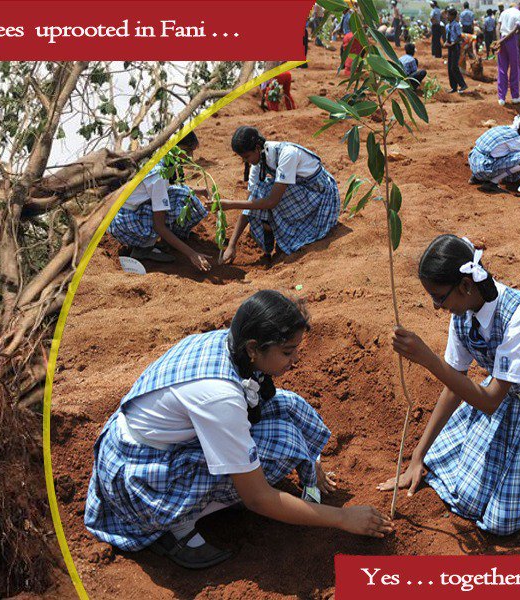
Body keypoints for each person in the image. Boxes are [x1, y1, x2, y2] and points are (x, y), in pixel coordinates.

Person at [86, 291, 394, 568]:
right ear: (253, 348)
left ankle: (200, 501)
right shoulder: (220, 395)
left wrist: (311, 461)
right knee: (280, 450)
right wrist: (342, 518)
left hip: (143, 441)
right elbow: (257, 498)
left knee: (289, 407)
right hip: (139, 481)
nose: (295, 360)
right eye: (287, 352)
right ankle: (174, 525)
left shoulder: (227, 342)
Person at [379, 235, 520, 536]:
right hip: (503, 400)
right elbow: (453, 386)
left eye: (439, 297)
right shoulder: (463, 312)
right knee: (457, 484)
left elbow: (489, 401)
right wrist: (418, 457)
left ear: (464, 286)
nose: (436, 307)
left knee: (500, 521)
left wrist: (428, 360)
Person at [219, 127, 341, 264]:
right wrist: (231, 245)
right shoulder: (258, 162)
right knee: (260, 193)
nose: (246, 161)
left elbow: (272, 201)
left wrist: (230, 204)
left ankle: (271, 228)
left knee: (264, 192)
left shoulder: (287, 154)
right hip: (301, 193)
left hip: (321, 194)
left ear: (257, 148)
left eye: (246, 157)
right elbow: (249, 204)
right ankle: (270, 231)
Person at [107, 132, 211, 271]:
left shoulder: (158, 160)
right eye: (186, 151)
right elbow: (159, 226)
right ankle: (144, 249)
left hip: (121, 212)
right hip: (123, 223)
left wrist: (197, 189)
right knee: (181, 199)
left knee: (182, 193)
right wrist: (192, 254)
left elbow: (164, 187)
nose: (190, 157)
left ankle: (145, 244)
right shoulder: (159, 175)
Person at [493, 1, 520, 106]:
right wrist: (502, 41)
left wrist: (499, 41)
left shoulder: (504, 12)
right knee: (514, 68)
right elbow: (513, 30)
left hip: (502, 38)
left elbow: (498, 27)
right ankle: (515, 96)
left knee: (502, 69)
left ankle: (501, 98)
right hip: (511, 40)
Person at [445, 7, 469, 94]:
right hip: (450, 47)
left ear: (452, 16)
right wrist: (446, 43)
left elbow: (459, 37)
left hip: (455, 47)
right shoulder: (447, 26)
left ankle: (463, 84)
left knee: (454, 67)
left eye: (448, 14)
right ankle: (453, 87)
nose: (446, 16)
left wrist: (452, 43)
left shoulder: (456, 25)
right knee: (450, 68)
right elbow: (448, 37)